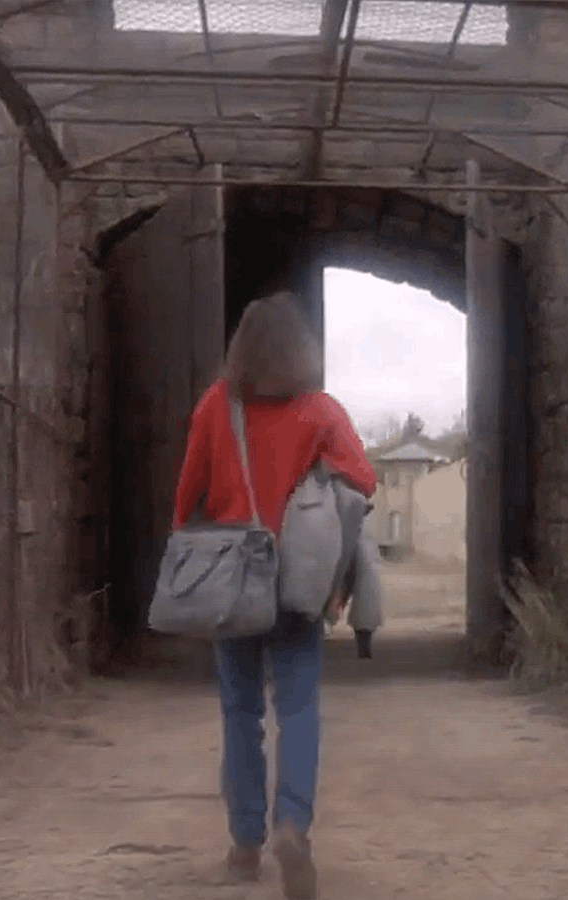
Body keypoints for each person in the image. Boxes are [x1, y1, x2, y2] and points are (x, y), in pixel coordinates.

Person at [170, 290, 375, 898]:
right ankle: (293, 825)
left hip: (233, 578)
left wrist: (185, 547)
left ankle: (243, 843)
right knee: (298, 708)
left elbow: (189, 490)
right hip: (296, 581)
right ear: (301, 349)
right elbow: (361, 483)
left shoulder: (216, 404)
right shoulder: (321, 410)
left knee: (239, 712)